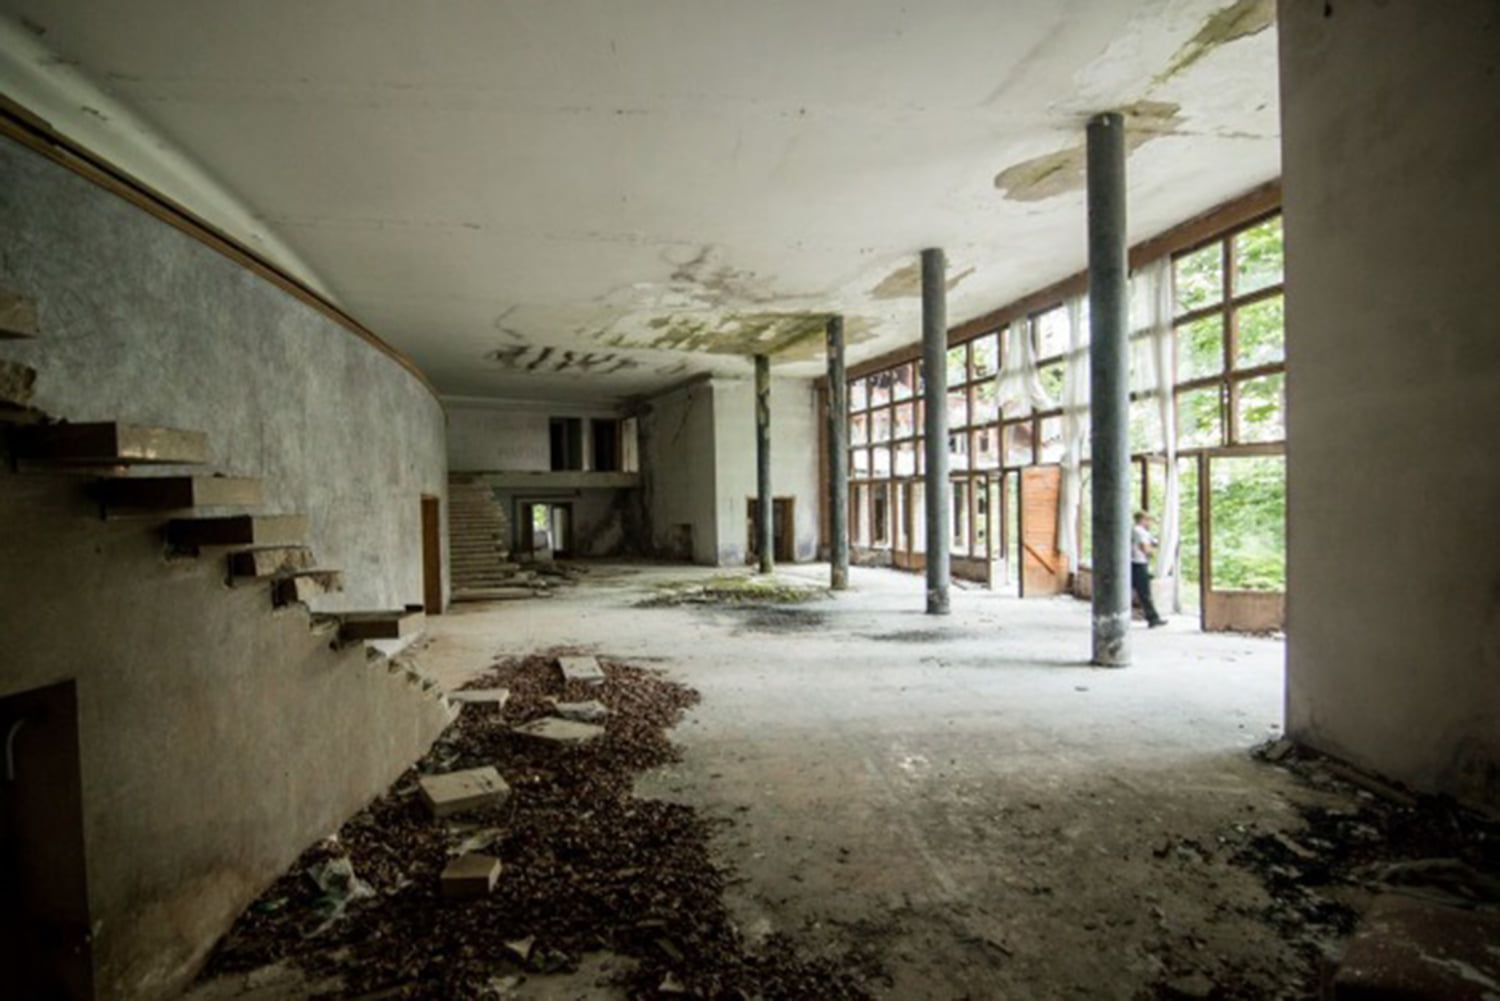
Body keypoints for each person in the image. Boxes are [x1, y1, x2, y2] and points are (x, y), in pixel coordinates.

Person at [1131, 511, 1166, 628]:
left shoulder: (1137, 530)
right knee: (1144, 593)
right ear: (1142, 520)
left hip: (1134, 563)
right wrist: (1153, 553)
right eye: (1148, 520)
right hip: (1138, 564)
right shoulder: (1139, 531)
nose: (1149, 523)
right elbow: (1144, 548)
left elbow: (1151, 542)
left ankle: (1152, 617)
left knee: (1141, 592)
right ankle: (1153, 618)